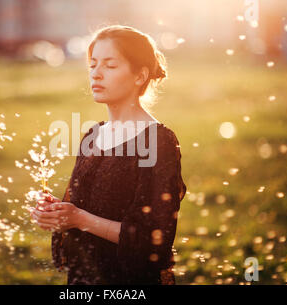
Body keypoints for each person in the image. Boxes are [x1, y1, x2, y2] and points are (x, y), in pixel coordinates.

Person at [30, 25, 187, 285]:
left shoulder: (159, 142)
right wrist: (55, 213)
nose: (96, 74)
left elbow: (152, 239)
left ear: (140, 76)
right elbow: (80, 208)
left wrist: (79, 219)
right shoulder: (92, 135)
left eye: (110, 66)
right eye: (92, 65)